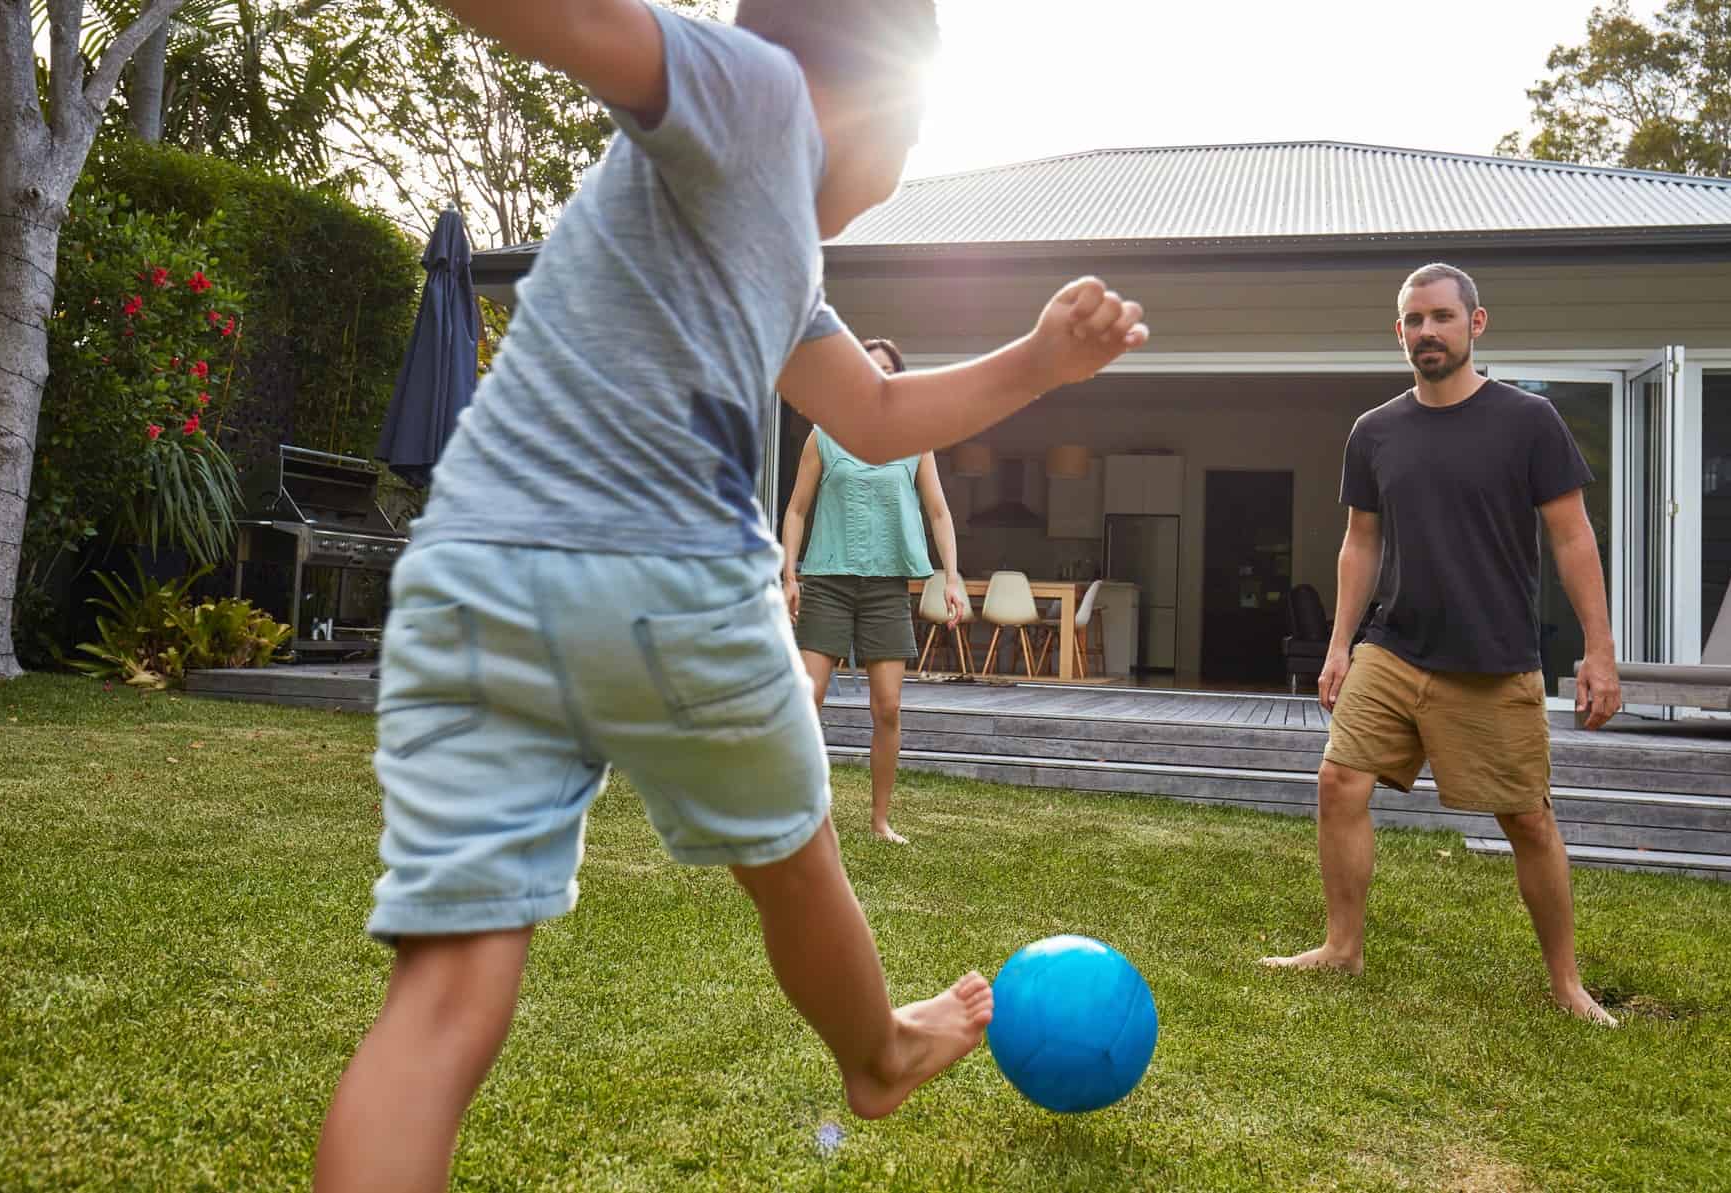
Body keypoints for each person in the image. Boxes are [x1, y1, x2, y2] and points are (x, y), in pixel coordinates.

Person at [312, 2, 1152, 1188]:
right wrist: (1045, 358)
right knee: (795, 852)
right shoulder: (750, 87)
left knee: (445, 996)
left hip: (478, 573)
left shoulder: (775, 253)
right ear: (882, 96)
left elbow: (873, 411)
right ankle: (876, 1047)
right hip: (666, 570)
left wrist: (1041, 361)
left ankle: (882, 1044)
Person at [1260, 263, 1623, 1028]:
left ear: (1474, 324)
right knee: (1338, 783)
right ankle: (1341, 946)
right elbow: (1359, 543)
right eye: (1412, 320)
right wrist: (1338, 644)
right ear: (1398, 333)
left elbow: (1571, 535)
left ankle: (1564, 981)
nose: (1426, 331)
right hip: (1392, 646)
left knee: (1525, 818)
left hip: (1492, 658)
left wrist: (1598, 649)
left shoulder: (1528, 421)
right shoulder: (1375, 431)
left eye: (1440, 317)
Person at [782, 337, 964, 845]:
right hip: (828, 584)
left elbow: (939, 512)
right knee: (808, 699)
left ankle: (880, 820)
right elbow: (796, 509)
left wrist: (951, 576)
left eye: (886, 370)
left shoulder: (916, 441)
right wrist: (789, 575)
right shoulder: (823, 436)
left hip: (885, 589)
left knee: (887, 707)